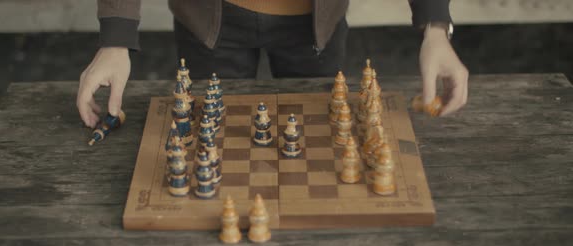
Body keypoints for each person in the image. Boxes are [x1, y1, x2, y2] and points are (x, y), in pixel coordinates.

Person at [78, 0, 468, 128]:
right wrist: (115, 38)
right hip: (208, 21)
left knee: (322, 136)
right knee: (210, 139)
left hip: (316, 24)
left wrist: (435, 25)